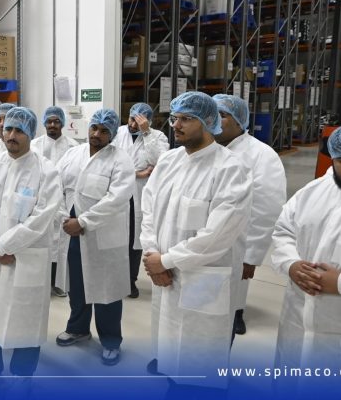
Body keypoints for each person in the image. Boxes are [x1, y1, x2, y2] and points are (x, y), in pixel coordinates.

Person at [139, 91, 251, 391]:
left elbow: (218, 235)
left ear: (208, 122)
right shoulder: (168, 161)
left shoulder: (230, 169)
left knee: (198, 367)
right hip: (164, 276)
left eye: (186, 119)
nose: (176, 125)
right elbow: (148, 211)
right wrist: (152, 254)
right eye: (174, 118)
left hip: (203, 278)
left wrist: (164, 261)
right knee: (169, 354)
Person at [0, 107, 62, 395]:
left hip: (26, 259)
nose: (11, 135)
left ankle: (23, 377)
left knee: (25, 318)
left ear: (30, 133)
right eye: (8, 129)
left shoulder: (46, 171)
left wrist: (4, 246)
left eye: (19, 130)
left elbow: (42, 217)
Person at [54, 109, 135, 366]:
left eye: (103, 131)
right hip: (71, 232)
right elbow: (55, 185)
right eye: (94, 128)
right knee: (77, 286)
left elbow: (117, 198)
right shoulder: (73, 154)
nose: (97, 134)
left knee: (106, 290)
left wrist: (83, 221)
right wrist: (63, 217)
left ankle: (111, 340)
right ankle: (78, 328)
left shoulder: (120, 160)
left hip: (102, 235)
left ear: (112, 134)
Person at [213, 94, 286, 335]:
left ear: (239, 121)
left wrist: (252, 254)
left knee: (235, 283)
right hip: (204, 236)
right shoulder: (205, 148)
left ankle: (236, 313)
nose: (215, 119)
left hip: (238, 239)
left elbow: (267, 207)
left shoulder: (261, 154)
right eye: (213, 113)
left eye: (223, 115)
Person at [272, 127, 341, 371]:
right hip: (297, 318)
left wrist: (339, 283)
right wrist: (291, 264)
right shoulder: (313, 192)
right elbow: (284, 231)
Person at [112, 103, 169, 298]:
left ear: (148, 122)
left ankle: (130, 281)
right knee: (114, 237)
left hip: (140, 195)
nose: (133, 125)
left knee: (134, 241)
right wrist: (137, 173)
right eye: (131, 120)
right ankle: (115, 279)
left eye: (139, 122)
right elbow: (110, 162)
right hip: (116, 192)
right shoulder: (117, 133)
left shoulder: (157, 137)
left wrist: (146, 134)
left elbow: (161, 162)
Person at [31, 105, 79, 298]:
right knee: (42, 243)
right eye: (49, 121)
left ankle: (59, 283)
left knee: (61, 245)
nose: (52, 124)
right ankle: (43, 283)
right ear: (44, 123)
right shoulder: (35, 145)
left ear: (62, 123)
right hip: (41, 199)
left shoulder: (73, 146)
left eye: (56, 121)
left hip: (65, 200)